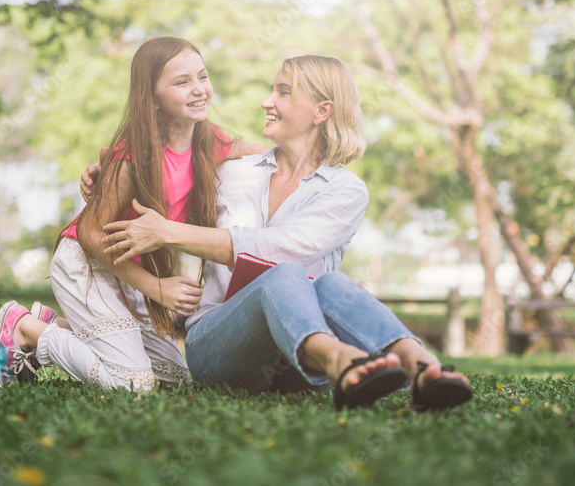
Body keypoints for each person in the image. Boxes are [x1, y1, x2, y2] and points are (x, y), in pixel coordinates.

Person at [98, 55, 473, 410]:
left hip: (296, 368)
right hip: (219, 347)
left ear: (321, 111)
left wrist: (169, 232)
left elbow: (276, 248)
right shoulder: (232, 170)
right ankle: (338, 358)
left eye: (283, 91)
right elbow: (161, 179)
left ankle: (421, 366)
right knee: (289, 273)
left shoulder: (345, 190)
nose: (267, 101)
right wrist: (106, 179)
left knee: (329, 284)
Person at [0, 36, 263, 391]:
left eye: (202, 77)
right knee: (135, 384)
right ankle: (26, 328)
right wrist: (156, 287)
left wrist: (310, 150)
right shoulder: (136, 154)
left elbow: (261, 152)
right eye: (182, 82)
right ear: (153, 99)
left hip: (127, 270)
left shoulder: (208, 142)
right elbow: (90, 233)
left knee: (174, 378)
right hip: (87, 263)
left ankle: (57, 324)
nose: (199, 89)